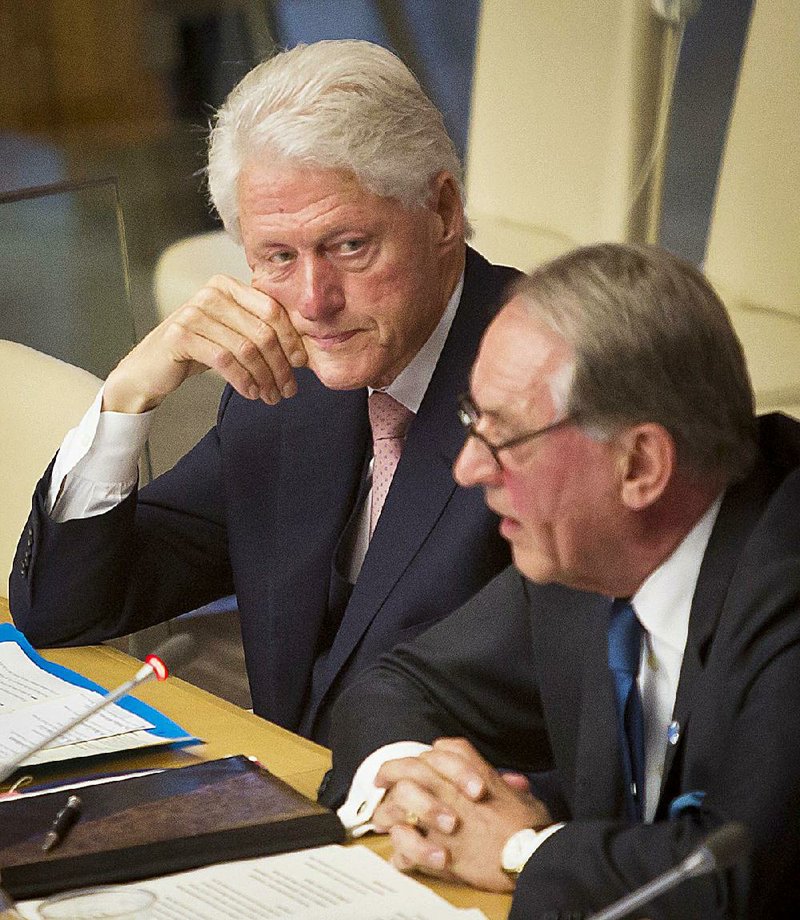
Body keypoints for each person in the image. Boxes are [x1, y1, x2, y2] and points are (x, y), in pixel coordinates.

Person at [9, 40, 515, 744]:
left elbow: (595, 740)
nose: (313, 301)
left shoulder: (553, 390)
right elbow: (65, 610)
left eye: (348, 247)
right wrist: (128, 394)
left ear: (442, 211)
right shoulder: (289, 386)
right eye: (277, 257)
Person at [320, 243, 800, 918]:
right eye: (471, 420)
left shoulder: (785, 585)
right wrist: (415, 782)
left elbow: (737, 884)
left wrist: (524, 849)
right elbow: (398, 684)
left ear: (639, 465)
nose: (468, 469)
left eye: (506, 436)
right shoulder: (586, 555)